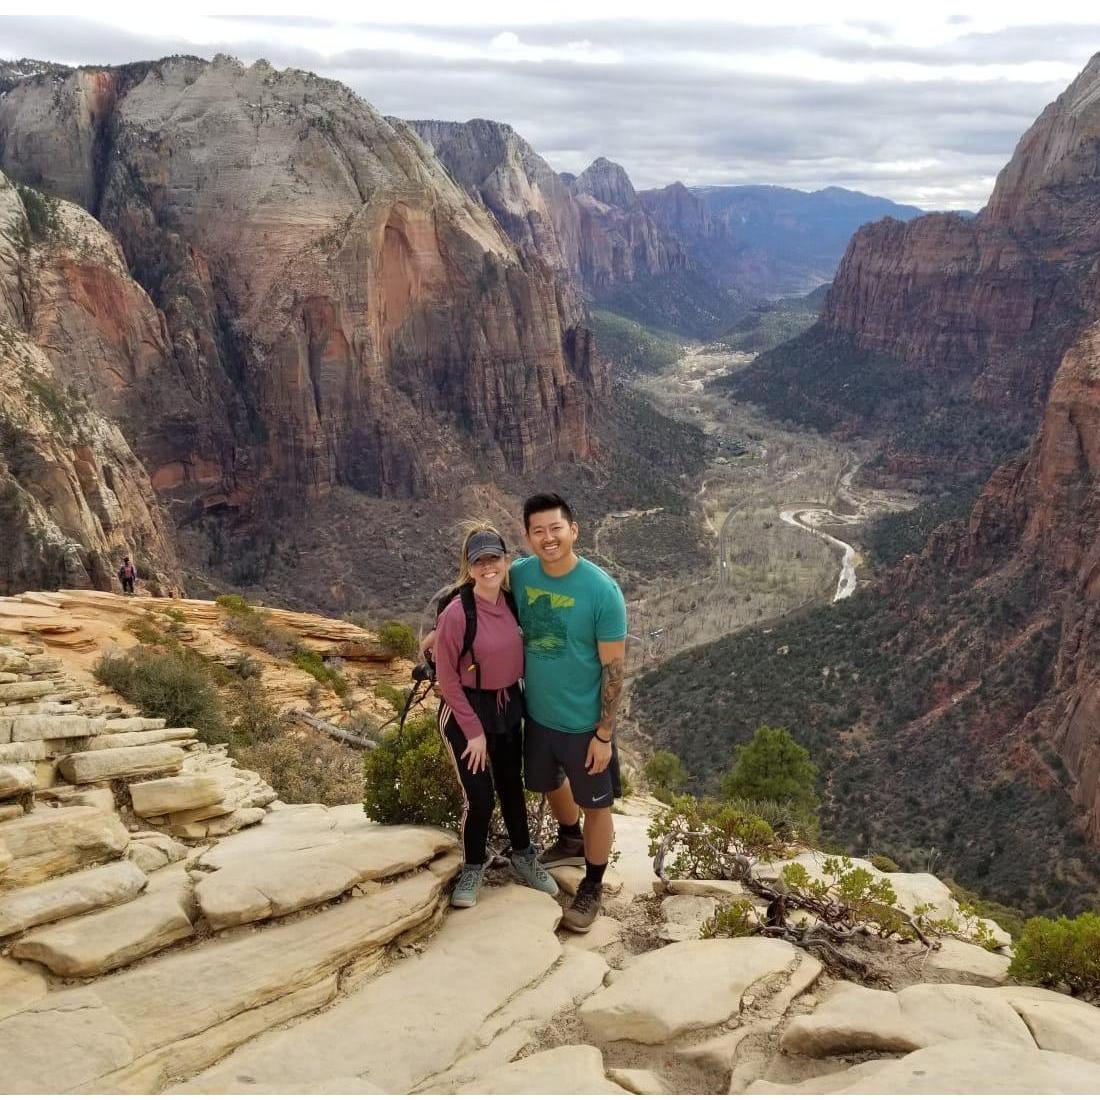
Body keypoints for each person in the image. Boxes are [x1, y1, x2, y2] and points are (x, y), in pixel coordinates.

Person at [512, 492, 628, 933]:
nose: (548, 538)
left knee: (596, 805)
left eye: (556, 528)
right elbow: (476, 589)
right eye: (538, 531)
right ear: (527, 537)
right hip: (538, 717)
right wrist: (440, 632)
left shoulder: (601, 591)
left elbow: (614, 668)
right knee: (548, 781)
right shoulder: (520, 576)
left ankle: (592, 885)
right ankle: (568, 838)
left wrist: (603, 734)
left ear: (573, 530)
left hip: (584, 724)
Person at [434, 523, 559, 909]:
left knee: (510, 785)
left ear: (506, 561)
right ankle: (474, 864)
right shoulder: (458, 613)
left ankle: (524, 856)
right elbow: (446, 678)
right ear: (469, 568)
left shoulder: (512, 603)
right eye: (480, 561)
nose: (488, 567)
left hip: (507, 706)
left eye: (494, 559)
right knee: (480, 797)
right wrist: (473, 731)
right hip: (465, 711)